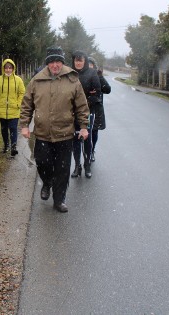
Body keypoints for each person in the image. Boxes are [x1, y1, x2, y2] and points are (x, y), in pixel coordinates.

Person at [19, 47, 90, 213]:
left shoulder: (72, 80)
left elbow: (82, 106)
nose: (55, 65)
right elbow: (27, 104)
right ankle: (47, 182)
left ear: (62, 62)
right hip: (42, 133)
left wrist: (84, 127)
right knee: (42, 163)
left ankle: (59, 200)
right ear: (47, 63)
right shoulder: (37, 80)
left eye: (58, 61)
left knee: (63, 169)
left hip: (64, 133)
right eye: (52, 61)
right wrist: (24, 125)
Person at [70, 50, 102, 179]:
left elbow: (97, 93)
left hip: (88, 112)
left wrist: (87, 101)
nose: (78, 63)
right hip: (72, 113)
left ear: (85, 61)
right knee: (76, 140)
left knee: (86, 139)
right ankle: (77, 165)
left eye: (80, 60)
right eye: (76, 60)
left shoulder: (92, 73)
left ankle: (87, 164)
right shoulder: (69, 74)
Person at [0, 59, 26, 157]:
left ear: (13, 69)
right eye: (6, 68)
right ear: (3, 69)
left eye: (10, 68)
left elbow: (22, 93)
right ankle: (6, 145)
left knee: (13, 128)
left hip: (14, 110)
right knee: (4, 129)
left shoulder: (18, 80)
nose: (8, 70)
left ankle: (13, 147)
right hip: (2, 110)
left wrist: (18, 104)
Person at [88, 56, 112, 163]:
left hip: (97, 109)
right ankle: (85, 153)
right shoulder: (82, 76)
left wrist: (100, 77)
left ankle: (92, 151)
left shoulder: (98, 77)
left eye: (91, 65)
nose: (89, 67)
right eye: (87, 65)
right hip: (84, 108)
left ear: (94, 66)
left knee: (94, 132)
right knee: (83, 132)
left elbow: (107, 89)